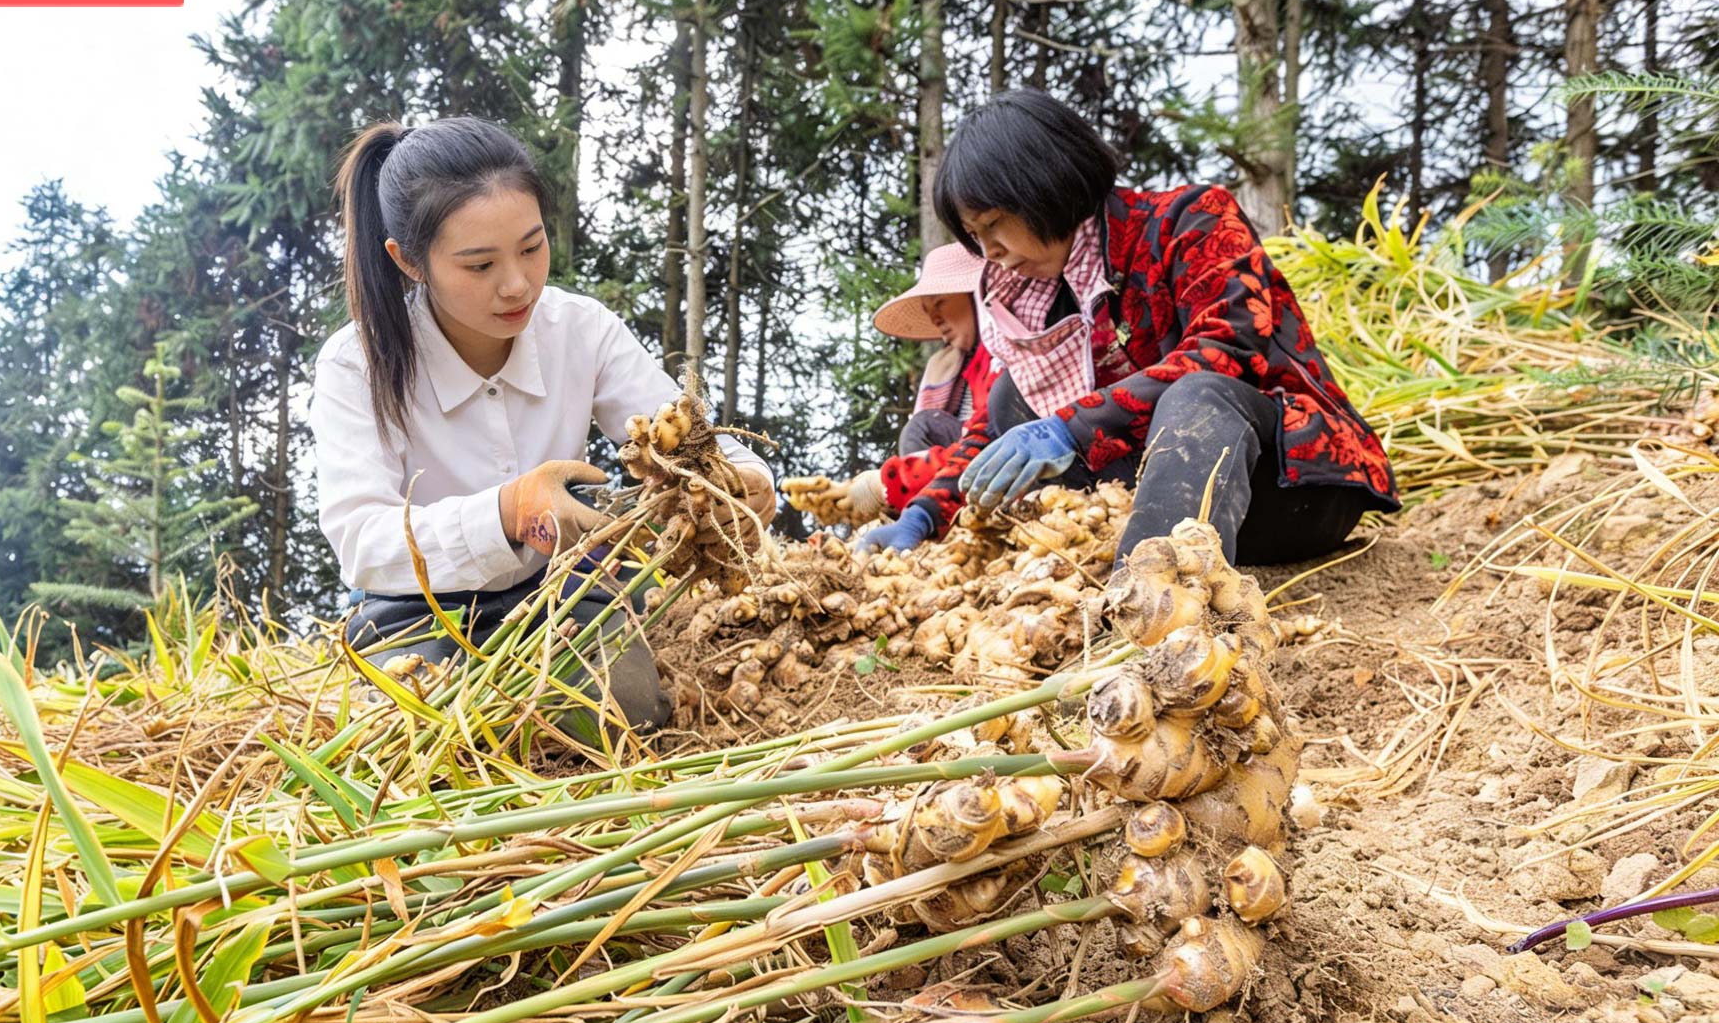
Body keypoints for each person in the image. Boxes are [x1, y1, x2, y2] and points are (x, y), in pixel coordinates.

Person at [309, 117, 776, 733]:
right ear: (409, 262)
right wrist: (506, 511)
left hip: (565, 591)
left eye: (532, 247)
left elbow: (688, 440)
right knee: (429, 739)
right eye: (479, 266)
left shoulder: (580, 330)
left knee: (623, 720)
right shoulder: (355, 364)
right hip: (415, 610)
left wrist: (739, 481)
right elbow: (363, 540)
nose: (517, 284)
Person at [856, 90, 1398, 562]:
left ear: (1042, 185)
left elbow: (1230, 346)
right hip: (1166, 502)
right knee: (1005, 399)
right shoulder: (1036, 304)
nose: (990, 252)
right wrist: (924, 514)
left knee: (1199, 394)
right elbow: (992, 435)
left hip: (1287, 489)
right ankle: (1141, 559)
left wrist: (1073, 425)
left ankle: (1147, 602)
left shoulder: (1192, 221)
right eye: (976, 236)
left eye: (994, 224)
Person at [790, 244, 1021, 526]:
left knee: (923, 425)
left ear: (976, 294)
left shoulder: (1009, 352)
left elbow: (987, 444)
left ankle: (923, 513)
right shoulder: (964, 367)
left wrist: (885, 483)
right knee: (924, 424)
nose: (935, 318)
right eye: (928, 310)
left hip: (1005, 464)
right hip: (969, 463)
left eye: (940, 303)